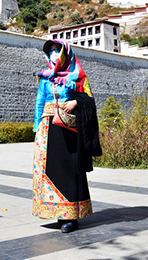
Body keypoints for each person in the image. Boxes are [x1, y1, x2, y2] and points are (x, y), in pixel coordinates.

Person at [32, 39, 102, 233]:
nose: (54, 54)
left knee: (69, 169)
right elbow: (39, 101)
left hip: (69, 128)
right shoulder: (44, 77)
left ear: (65, 53)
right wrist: (37, 127)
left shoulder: (78, 76)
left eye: (57, 50)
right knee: (50, 168)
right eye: (51, 51)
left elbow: (89, 100)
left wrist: (76, 104)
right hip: (48, 128)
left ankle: (72, 216)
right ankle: (57, 212)